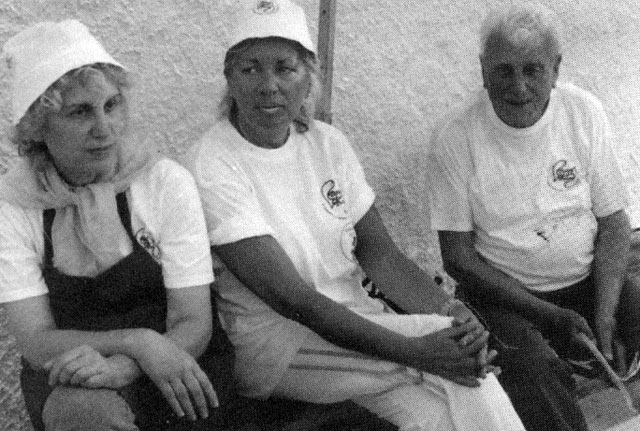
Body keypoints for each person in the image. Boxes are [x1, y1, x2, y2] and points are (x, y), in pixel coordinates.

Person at [185, 1, 526, 430]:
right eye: (250, 68)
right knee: (463, 368)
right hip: (280, 347)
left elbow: (381, 256)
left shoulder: (327, 144)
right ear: (229, 77)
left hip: (361, 325)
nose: (268, 85)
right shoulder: (213, 163)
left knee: (438, 415)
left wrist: (451, 309)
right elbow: (293, 300)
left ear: (309, 76)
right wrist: (417, 351)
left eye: (285, 68)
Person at [0, 20, 254, 431]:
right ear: (38, 126)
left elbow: (193, 320)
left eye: (112, 105)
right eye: (80, 112)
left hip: (176, 361)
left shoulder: (164, 183)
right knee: (83, 412)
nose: (104, 129)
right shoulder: (14, 204)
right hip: (72, 372)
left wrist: (129, 364)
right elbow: (35, 340)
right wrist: (136, 341)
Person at [426, 4, 639, 431]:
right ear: (483, 70)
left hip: (586, 281)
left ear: (555, 69)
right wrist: (547, 315)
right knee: (534, 373)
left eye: (533, 70)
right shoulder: (455, 136)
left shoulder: (583, 112)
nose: (519, 86)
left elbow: (615, 223)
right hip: (505, 297)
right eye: (504, 71)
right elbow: (458, 259)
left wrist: (606, 311)